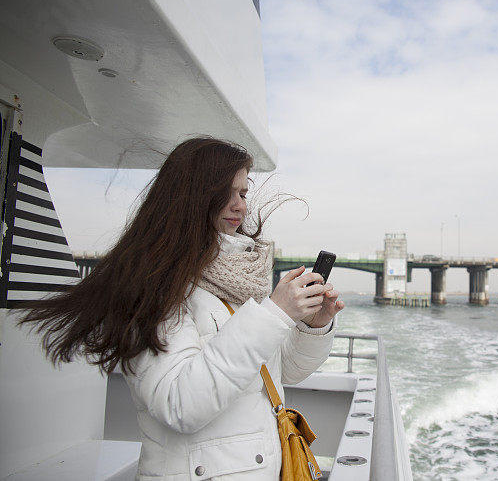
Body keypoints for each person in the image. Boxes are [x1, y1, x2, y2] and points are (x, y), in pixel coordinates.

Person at [18, 137, 344, 480]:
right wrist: (274, 315)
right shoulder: (151, 286)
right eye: (227, 193)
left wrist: (311, 326)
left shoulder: (234, 283)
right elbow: (180, 404)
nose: (241, 206)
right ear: (193, 194)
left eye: (243, 194)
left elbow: (280, 374)